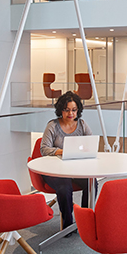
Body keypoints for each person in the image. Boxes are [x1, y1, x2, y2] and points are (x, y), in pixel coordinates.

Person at [40, 91, 93, 229]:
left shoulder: (82, 125)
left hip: (75, 169)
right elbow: (44, 149)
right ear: (61, 110)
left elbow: (90, 145)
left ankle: (85, 219)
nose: (71, 113)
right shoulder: (53, 125)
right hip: (54, 170)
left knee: (91, 183)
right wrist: (62, 151)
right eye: (67, 110)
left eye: (74, 110)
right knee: (65, 187)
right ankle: (68, 225)